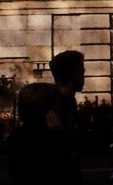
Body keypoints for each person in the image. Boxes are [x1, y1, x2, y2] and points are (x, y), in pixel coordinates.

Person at [8, 82, 68, 184]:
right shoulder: (47, 139)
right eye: (57, 106)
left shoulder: (17, 136)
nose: (61, 111)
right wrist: (58, 138)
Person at [49, 50, 86, 185]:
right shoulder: (59, 105)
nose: (84, 76)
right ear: (73, 74)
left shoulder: (69, 102)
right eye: (82, 72)